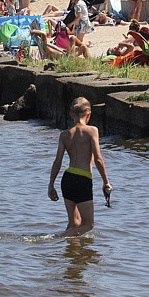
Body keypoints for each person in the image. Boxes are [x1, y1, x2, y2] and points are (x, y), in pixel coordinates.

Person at [48, 97, 112, 237]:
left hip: (67, 179)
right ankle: (56, 239)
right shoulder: (91, 131)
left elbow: (57, 162)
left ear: (71, 114)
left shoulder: (64, 135)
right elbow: (98, 159)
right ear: (88, 114)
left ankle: (73, 255)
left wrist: (51, 185)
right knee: (88, 224)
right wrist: (106, 182)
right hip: (82, 180)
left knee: (74, 224)